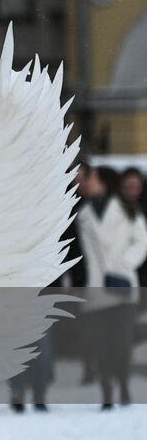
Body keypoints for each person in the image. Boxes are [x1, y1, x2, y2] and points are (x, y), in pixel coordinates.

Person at [76, 165, 147, 408]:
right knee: (101, 344)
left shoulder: (127, 208)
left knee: (122, 343)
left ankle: (124, 384)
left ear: (104, 182)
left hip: (123, 287)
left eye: (93, 177)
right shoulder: (83, 213)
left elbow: (141, 243)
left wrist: (125, 265)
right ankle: (107, 391)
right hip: (96, 289)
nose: (88, 181)